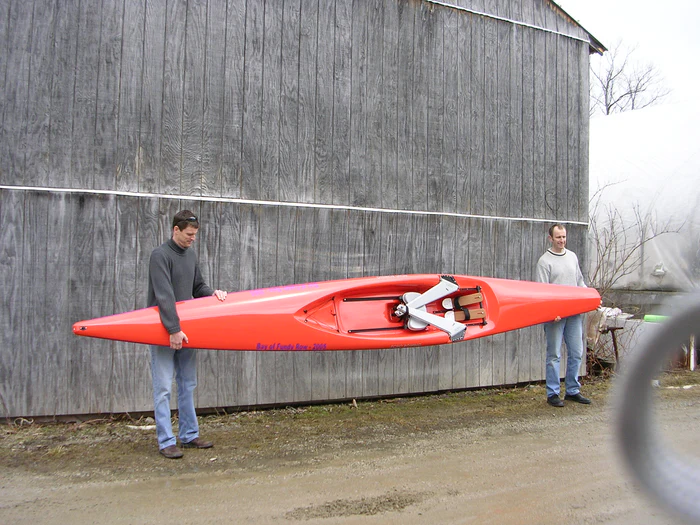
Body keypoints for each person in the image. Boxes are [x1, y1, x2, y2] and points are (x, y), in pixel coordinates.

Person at [148, 210, 227, 458]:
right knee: (163, 387)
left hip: (187, 330)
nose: (192, 239)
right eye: (189, 235)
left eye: (195, 235)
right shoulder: (160, 256)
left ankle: (189, 435)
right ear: (176, 230)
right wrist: (173, 329)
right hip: (163, 330)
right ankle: (165, 441)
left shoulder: (190, 256)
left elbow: (197, 287)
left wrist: (213, 294)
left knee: (187, 384)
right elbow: (164, 295)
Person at [536, 224, 592, 408]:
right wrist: (551, 312)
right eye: (558, 237)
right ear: (550, 238)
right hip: (555, 316)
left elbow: (580, 282)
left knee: (576, 352)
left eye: (564, 237)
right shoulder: (545, 261)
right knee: (554, 354)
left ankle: (572, 390)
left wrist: (589, 298)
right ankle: (552, 393)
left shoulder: (572, 257)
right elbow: (542, 292)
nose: (562, 240)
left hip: (574, 313)